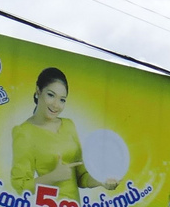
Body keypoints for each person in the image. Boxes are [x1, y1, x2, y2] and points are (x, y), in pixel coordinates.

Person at [10, 67, 102, 198]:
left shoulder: (69, 125)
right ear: (38, 91)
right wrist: (53, 177)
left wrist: (102, 181)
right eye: (51, 95)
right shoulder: (24, 132)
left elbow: (81, 177)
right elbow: (21, 186)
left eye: (62, 99)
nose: (56, 105)